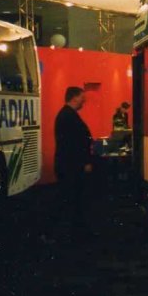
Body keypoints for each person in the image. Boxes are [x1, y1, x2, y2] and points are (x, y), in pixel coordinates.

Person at [54, 86, 93, 235]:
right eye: (82, 97)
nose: (84, 100)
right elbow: (76, 143)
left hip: (67, 165)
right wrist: (86, 161)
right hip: (71, 166)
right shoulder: (69, 116)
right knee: (71, 200)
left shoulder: (65, 115)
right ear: (74, 97)